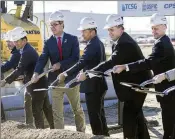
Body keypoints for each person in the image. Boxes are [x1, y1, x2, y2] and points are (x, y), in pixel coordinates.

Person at [78, 14, 151, 139]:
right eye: (108, 30)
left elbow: (110, 63)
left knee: (129, 119)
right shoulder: (119, 41)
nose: (109, 32)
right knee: (136, 116)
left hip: (137, 86)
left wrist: (87, 73)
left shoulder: (125, 44)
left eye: (112, 29)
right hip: (135, 85)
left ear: (120, 28)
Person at [113, 13, 175, 139]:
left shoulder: (162, 44)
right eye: (152, 28)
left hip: (168, 90)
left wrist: (126, 66)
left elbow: (148, 62)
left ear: (164, 27)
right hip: (167, 88)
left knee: (169, 125)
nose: (153, 31)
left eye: (156, 28)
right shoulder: (162, 41)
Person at [31, 11, 85, 132]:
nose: (52, 27)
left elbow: (76, 58)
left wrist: (61, 64)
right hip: (55, 81)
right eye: (51, 25)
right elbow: (42, 59)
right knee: (57, 112)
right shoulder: (48, 42)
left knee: (77, 109)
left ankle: (81, 133)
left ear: (62, 24)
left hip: (71, 80)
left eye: (55, 24)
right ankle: (60, 135)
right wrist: (36, 73)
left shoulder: (72, 39)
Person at [58, 17, 109, 136]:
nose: (82, 33)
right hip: (100, 85)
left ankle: (99, 136)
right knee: (100, 115)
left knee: (94, 117)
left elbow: (82, 62)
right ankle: (105, 136)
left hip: (93, 86)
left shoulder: (92, 45)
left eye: (84, 31)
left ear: (92, 31)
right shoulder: (99, 43)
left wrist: (65, 73)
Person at [0, 27, 54, 129]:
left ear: (24, 40)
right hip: (40, 84)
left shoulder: (26, 52)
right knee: (46, 109)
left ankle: (41, 133)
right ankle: (54, 131)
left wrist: (5, 81)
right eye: (14, 41)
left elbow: (19, 69)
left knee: (36, 111)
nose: (15, 44)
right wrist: (23, 76)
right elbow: (26, 69)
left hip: (37, 86)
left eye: (17, 41)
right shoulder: (25, 49)